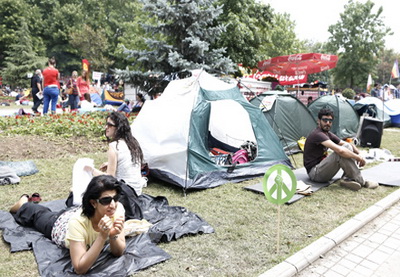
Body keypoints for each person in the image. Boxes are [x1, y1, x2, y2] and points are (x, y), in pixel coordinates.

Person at [9, 175, 126, 275]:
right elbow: (80, 268)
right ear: (93, 203)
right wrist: (101, 237)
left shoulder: (117, 210)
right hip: (59, 225)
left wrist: (112, 236)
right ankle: (23, 202)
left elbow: (118, 252)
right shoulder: (77, 223)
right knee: (38, 213)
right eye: (106, 200)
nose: (112, 205)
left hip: (75, 212)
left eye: (115, 198)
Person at [303, 108, 379, 191]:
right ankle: (361, 181)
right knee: (340, 153)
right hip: (315, 173)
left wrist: (359, 153)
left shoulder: (328, 134)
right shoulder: (317, 134)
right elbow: (340, 151)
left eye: (330, 121)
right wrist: (358, 158)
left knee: (347, 146)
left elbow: (349, 145)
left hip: (322, 168)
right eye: (325, 120)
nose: (328, 123)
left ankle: (347, 178)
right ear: (319, 121)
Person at [86, 112, 146, 195]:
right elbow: (128, 162)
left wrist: (91, 170)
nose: (106, 127)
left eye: (110, 125)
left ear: (118, 128)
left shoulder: (114, 146)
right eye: (106, 124)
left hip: (124, 194)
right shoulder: (132, 143)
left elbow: (109, 178)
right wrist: (109, 163)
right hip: (137, 192)